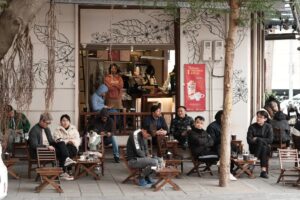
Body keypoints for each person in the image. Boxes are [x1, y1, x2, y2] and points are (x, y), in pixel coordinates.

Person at [28, 113, 76, 181]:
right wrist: (47, 146)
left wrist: (57, 142)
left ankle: (66, 160)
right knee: (62, 151)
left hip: (49, 148)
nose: (48, 125)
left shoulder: (46, 128)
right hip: (40, 151)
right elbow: (34, 145)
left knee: (62, 143)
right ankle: (63, 169)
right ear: (42, 121)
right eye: (47, 123)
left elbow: (50, 140)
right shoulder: (34, 131)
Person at [247, 110, 273, 179]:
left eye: (261, 117)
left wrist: (258, 139)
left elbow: (270, 140)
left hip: (265, 149)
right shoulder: (252, 127)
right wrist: (261, 141)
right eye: (257, 117)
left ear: (265, 119)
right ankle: (263, 171)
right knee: (263, 147)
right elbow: (249, 140)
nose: (258, 118)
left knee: (262, 145)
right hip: (253, 148)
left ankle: (253, 162)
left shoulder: (268, 127)